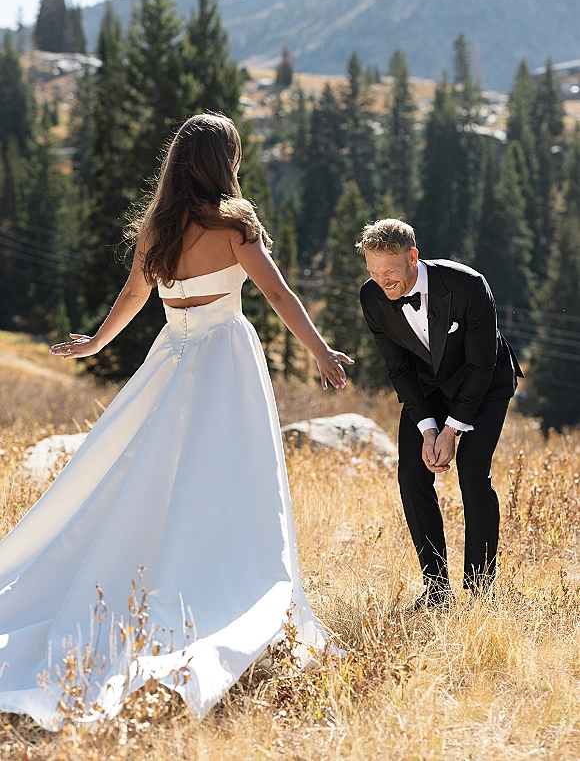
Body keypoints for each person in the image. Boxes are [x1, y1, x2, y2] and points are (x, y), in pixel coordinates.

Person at [0, 113, 354, 730]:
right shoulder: (236, 224)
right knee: (235, 480)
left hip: (170, 355)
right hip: (226, 361)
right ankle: (232, 587)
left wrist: (94, 344)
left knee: (148, 477)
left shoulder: (158, 229)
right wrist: (321, 351)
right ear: (225, 161)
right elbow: (276, 294)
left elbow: (135, 298)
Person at [358, 219, 522, 608]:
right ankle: (436, 590)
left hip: (485, 385)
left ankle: (480, 589)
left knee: (471, 468)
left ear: (413, 257)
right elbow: (398, 369)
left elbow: (482, 367)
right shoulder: (372, 297)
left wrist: (453, 430)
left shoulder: (467, 285)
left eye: (391, 271)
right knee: (412, 473)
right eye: (374, 272)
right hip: (428, 390)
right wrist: (429, 428)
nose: (384, 282)